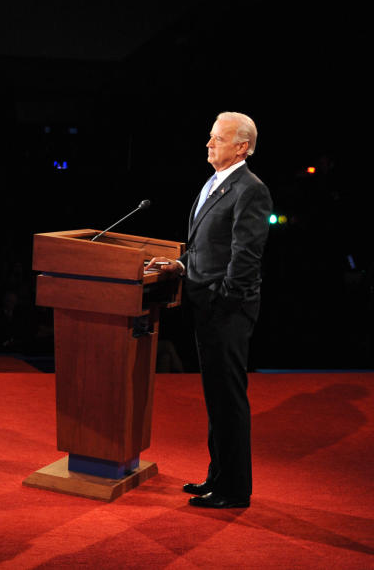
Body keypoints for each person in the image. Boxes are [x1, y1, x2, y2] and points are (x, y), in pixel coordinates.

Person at [148, 111, 271, 509]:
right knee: (216, 397)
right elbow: (209, 248)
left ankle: (234, 490)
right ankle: (217, 477)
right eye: (210, 137)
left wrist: (223, 299)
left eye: (217, 138)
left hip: (227, 309)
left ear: (241, 146)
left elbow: (245, 256)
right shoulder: (217, 182)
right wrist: (182, 265)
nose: (208, 143)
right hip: (208, 301)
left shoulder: (250, 189)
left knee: (228, 398)